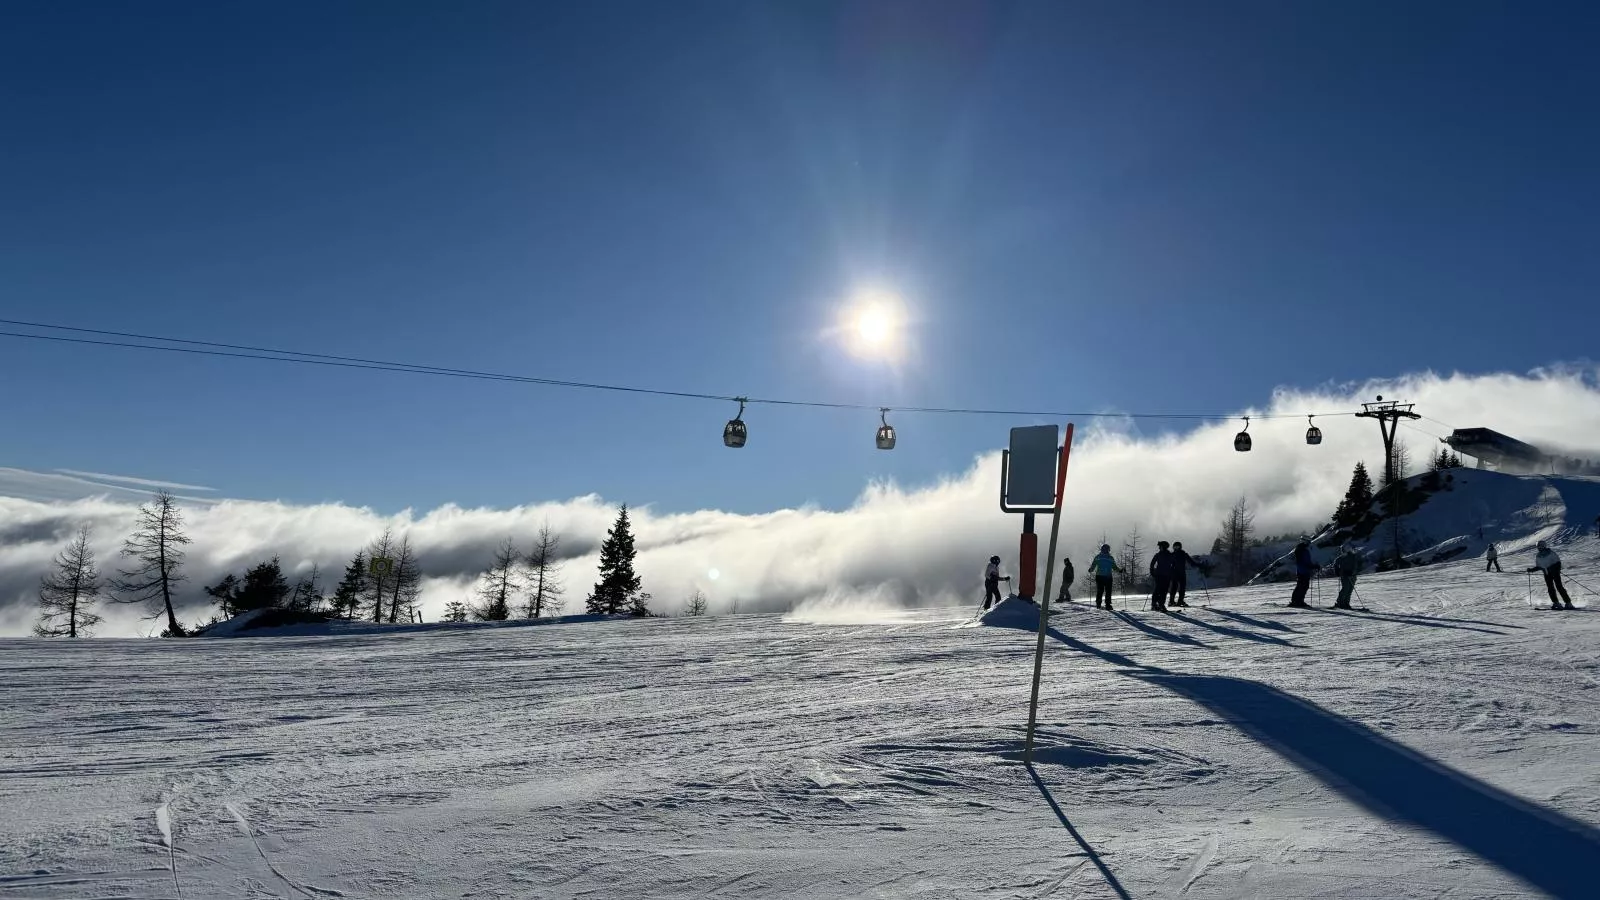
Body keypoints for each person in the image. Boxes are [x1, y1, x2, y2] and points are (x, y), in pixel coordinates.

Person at [1527, 541, 1574, 609]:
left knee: (1559, 587)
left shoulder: (1551, 553)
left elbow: (1558, 562)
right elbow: (1539, 566)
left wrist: (1556, 570)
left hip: (1555, 573)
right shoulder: (1538, 556)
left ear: (1544, 546)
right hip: (1547, 574)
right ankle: (1556, 603)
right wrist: (1531, 570)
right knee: (1550, 589)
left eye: (1541, 546)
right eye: (1538, 547)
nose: (1539, 548)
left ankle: (1568, 603)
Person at [1089, 544, 1122, 610]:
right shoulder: (1110, 558)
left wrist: (1091, 570)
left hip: (1099, 576)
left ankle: (1098, 604)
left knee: (1100, 590)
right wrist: (1120, 571)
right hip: (1108, 576)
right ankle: (1108, 605)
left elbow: (1093, 565)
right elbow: (1114, 567)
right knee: (1108, 591)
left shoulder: (1098, 557)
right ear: (1108, 550)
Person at [1168, 541, 1199, 607]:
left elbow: (1191, 561)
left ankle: (1180, 601)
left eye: (1177, 546)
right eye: (1175, 546)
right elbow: (1168, 563)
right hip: (1175, 573)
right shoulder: (1172, 554)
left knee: (1182, 587)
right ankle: (1171, 601)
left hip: (1181, 573)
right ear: (1173, 547)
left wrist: (1197, 565)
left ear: (1180, 547)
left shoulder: (1183, 554)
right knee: (1174, 587)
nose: (1176, 548)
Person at [1332, 545, 1363, 609]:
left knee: (1349, 590)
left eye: (1343, 550)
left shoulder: (1353, 557)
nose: (1343, 552)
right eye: (1342, 550)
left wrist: (1353, 572)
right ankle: (1340, 603)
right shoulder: (1342, 557)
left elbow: (1357, 565)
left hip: (1352, 575)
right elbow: (1336, 564)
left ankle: (1346, 603)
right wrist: (1337, 570)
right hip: (1345, 575)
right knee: (1345, 588)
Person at [1289, 538, 1314, 608]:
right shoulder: (1301, 551)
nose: (1309, 544)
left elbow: (1306, 561)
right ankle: (1297, 601)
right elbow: (1304, 562)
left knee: (1303, 586)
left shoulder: (1301, 550)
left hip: (1303, 571)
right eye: (1308, 542)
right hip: (1303, 571)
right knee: (1302, 586)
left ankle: (1298, 601)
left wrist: (1312, 566)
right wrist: (1312, 566)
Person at [1149, 541, 1175, 610]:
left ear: (1163, 547)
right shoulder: (1169, 555)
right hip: (1163, 575)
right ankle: (1158, 604)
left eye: (1160, 546)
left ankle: (1157, 604)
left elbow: (1152, 564)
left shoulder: (1159, 555)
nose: (1159, 548)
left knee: (1160, 590)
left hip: (1161, 575)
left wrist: (1152, 572)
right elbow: (1173, 565)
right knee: (1162, 590)